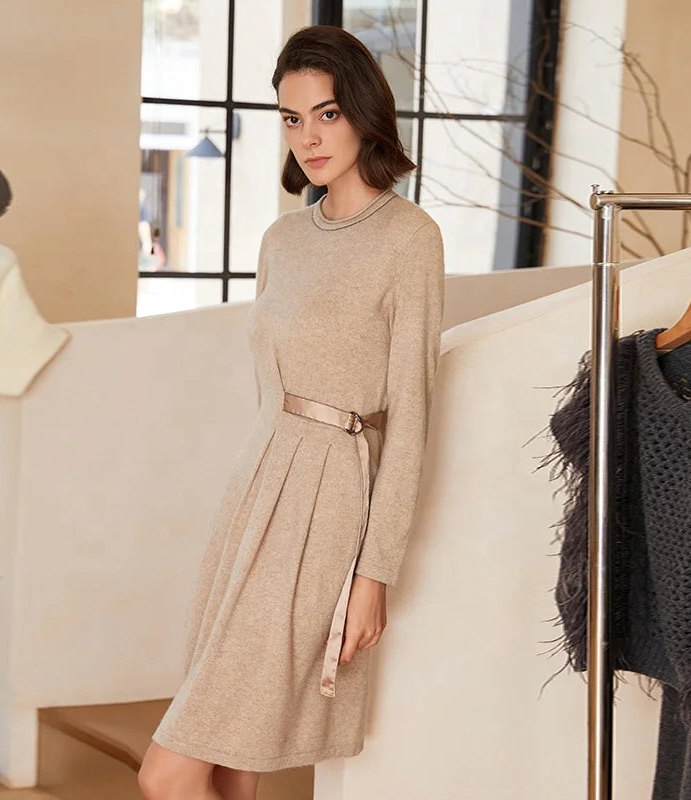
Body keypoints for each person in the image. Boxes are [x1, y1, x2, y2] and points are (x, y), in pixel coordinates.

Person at [138, 24, 445, 800]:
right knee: (236, 757)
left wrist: (374, 573)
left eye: (328, 114)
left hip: (331, 502)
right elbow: (269, 391)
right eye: (291, 118)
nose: (309, 136)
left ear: (365, 113)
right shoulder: (281, 239)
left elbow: (411, 415)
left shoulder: (409, 238)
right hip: (255, 493)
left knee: (169, 773)